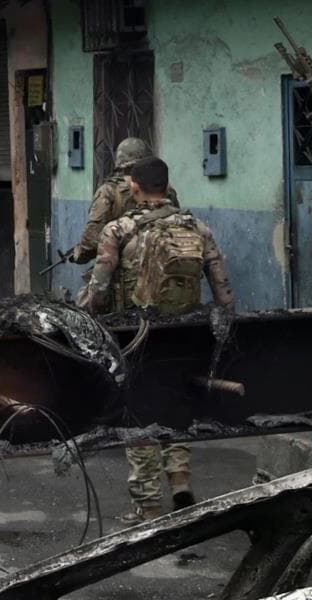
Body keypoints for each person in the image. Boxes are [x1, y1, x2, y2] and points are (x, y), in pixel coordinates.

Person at [78, 156, 235, 523]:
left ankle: (147, 503)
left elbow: (98, 290)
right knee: (177, 405)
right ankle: (180, 481)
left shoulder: (118, 230)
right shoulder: (198, 227)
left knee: (136, 413)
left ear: (133, 186)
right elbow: (223, 291)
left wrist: (85, 315)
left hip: (136, 334)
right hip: (183, 333)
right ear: (167, 185)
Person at [72, 137, 180, 265]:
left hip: (124, 271)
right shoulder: (165, 189)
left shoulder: (109, 190)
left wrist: (78, 254)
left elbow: (92, 239)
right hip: (163, 265)